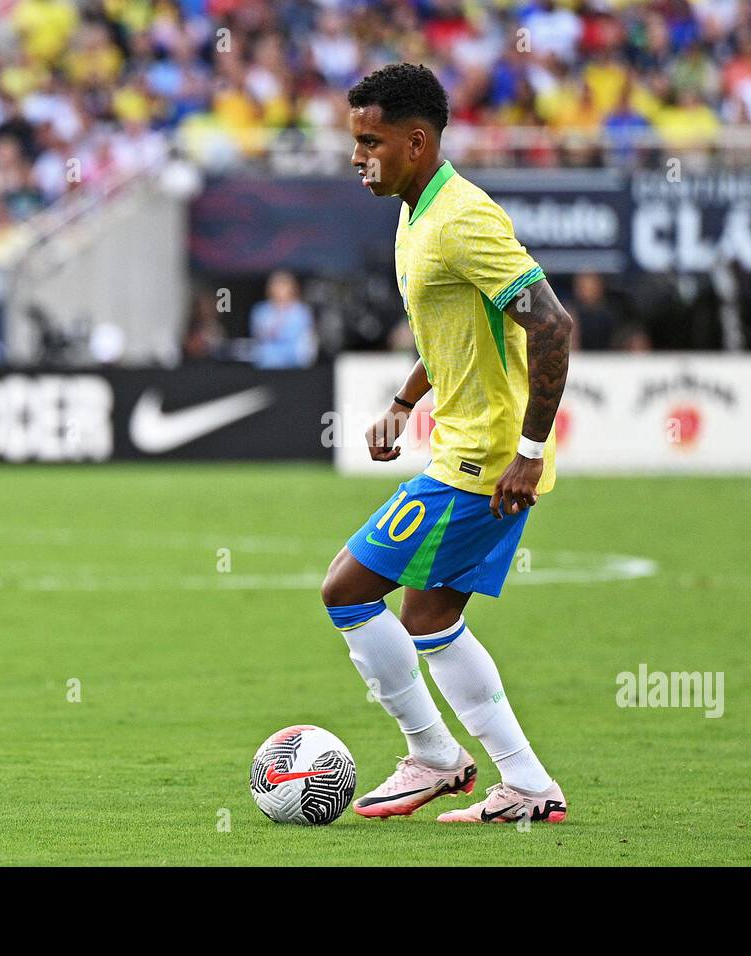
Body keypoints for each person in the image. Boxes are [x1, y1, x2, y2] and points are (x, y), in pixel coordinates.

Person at [320, 63, 573, 825]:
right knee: (429, 616)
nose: (358, 156)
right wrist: (404, 403)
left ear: (417, 140)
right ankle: (525, 784)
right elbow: (457, 334)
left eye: (371, 141)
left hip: (483, 462)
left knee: (348, 589)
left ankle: (432, 756)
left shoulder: (462, 218)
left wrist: (529, 450)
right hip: (469, 450)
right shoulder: (415, 212)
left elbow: (550, 325)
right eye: (354, 140)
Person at [249, 270, 317, 368]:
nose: (279, 290)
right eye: (275, 285)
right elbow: (258, 336)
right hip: (265, 364)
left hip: (294, 366)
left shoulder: (301, 312)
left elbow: (305, 341)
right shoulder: (260, 310)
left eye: (283, 286)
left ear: (292, 288)